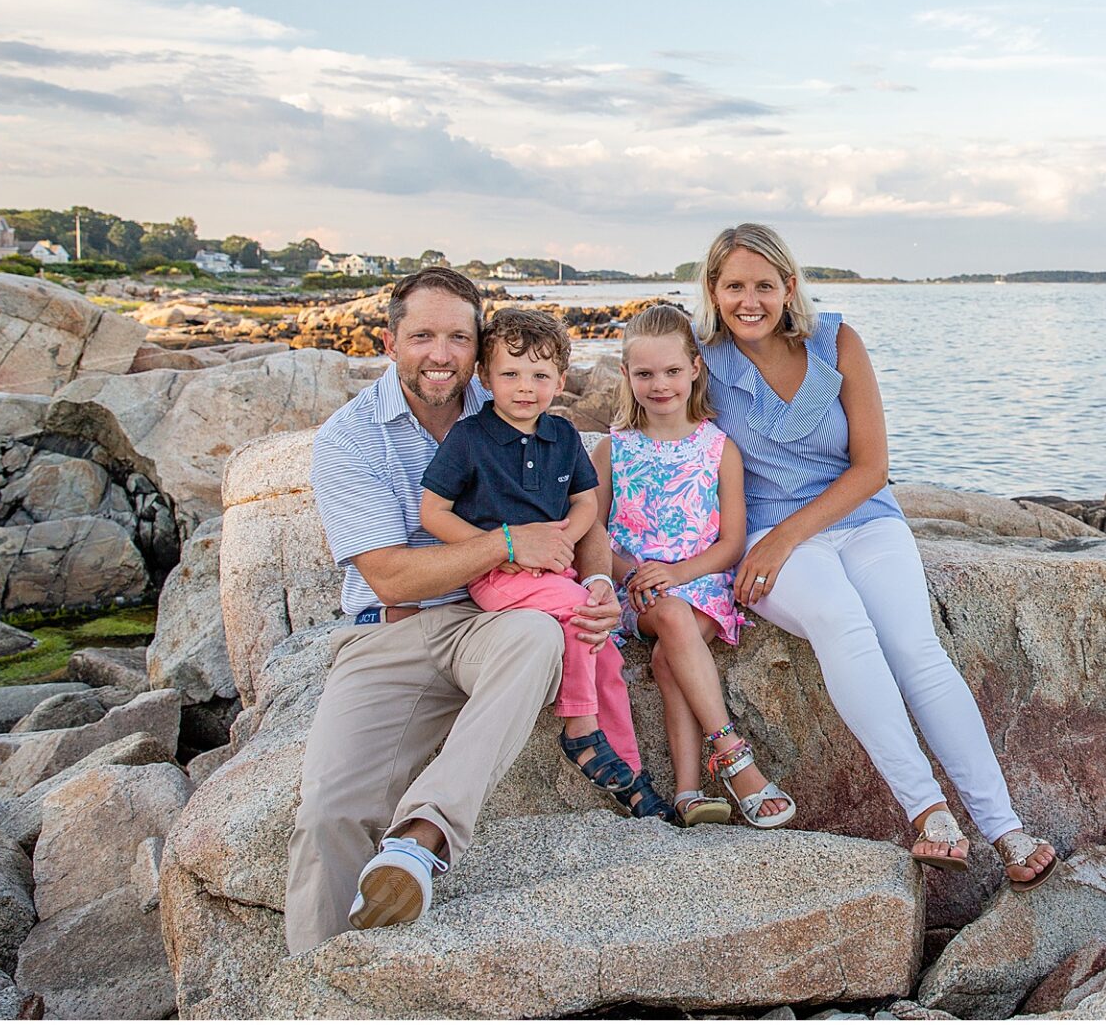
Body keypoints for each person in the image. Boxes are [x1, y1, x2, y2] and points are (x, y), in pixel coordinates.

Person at [693, 223, 1059, 888]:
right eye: (734, 286)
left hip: (859, 520)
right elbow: (646, 431)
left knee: (915, 647)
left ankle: (1004, 828)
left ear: (789, 287)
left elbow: (871, 469)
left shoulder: (836, 342)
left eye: (764, 286)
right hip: (765, 535)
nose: (750, 300)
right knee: (842, 622)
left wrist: (789, 534)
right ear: (713, 291)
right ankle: (929, 812)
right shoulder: (699, 360)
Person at [284, 266, 627, 953]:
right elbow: (389, 578)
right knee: (328, 812)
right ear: (389, 342)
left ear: (479, 346)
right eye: (421, 336)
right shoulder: (349, 439)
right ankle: (318, 984)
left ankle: (421, 841)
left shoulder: (516, 400)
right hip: (394, 634)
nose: (439, 354)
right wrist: (506, 543)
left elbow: (579, 511)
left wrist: (598, 586)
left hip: (498, 621)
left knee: (536, 635)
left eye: (456, 338)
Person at [418, 306, 673, 823]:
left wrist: (564, 541)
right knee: (587, 614)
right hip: (498, 578)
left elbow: (585, 503)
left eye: (539, 375)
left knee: (607, 657)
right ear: (485, 377)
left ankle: (629, 773)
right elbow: (432, 512)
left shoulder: (562, 436)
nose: (524, 387)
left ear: (561, 380)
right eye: (509, 374)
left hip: (554, 574)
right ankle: (579, 728)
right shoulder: (469, 439)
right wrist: (501, 546)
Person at [602, 303, 796, 829]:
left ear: (695, 369)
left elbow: (732, 542)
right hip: (638, 592)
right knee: (668, 616)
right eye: (644, 373)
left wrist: (679, 574)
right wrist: (631, 573)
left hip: (704, 584)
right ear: (626, 374)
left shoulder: (717, 448)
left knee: (671, 654)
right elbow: (594, 534)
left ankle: (688, 791)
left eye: (671, 371)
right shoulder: (612, 449)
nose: (659, 384)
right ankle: (732, 755)